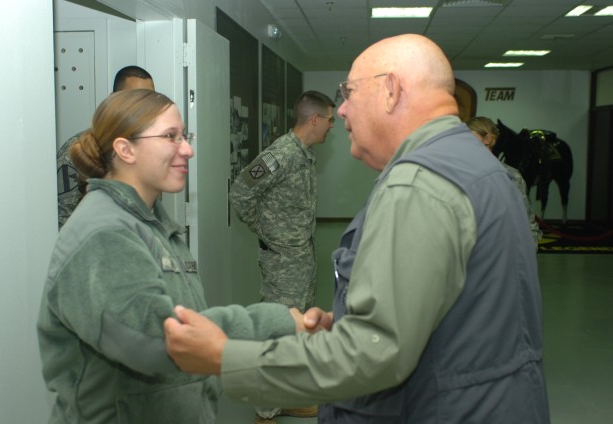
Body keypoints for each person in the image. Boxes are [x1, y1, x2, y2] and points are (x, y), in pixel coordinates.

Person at [163, 34, 551, 424]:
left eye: (348, 93)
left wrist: (225, 357)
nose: (343, 111)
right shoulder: (476, 166)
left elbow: (376, 352)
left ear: (391, 89)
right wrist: (352, 322)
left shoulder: (418, 185)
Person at [37, 89, 305, 424]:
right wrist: (275, 321)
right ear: (125, 149)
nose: (187, 150)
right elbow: (157, 340)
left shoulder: (151, 223)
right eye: (170, 137)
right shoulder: (105, 234)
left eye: (184, 136)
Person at [229, 90, 335, 422]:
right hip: (283, 261)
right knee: (276, 330)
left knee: (296, 328)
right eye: (330, 120)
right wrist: (268, 232)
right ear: (315, 119)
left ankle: (283, 398)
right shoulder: (281, 154)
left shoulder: (304, 153)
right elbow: (240, 191)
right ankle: (264, 410)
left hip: (301, 256)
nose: (333, 127)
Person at [57, 65, 155, 229]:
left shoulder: (150, 150)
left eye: (149, 98)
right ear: (114, 99)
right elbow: (63, 220)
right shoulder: (80, 149)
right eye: (133, 97)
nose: (142, 106)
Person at [467, 116, 543, 242]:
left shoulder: (510, 176)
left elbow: (527, 222)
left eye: (469, 138)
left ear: (488, 139)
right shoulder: (457, 172)